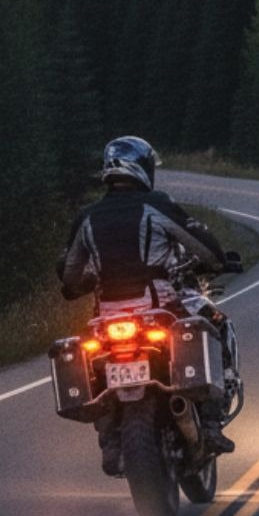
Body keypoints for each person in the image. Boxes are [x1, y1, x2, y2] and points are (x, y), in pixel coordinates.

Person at [57, 135, 236, 474]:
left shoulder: (87, 217)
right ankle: (211, 426)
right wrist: (216, 261)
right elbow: (204, 246)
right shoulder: (157, 204)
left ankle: (110, 440)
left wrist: (84, 284)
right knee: (215, 324)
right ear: (142, 168)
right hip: (161, 311)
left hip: (106, 320)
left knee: (96, 360)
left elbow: (69, 277)